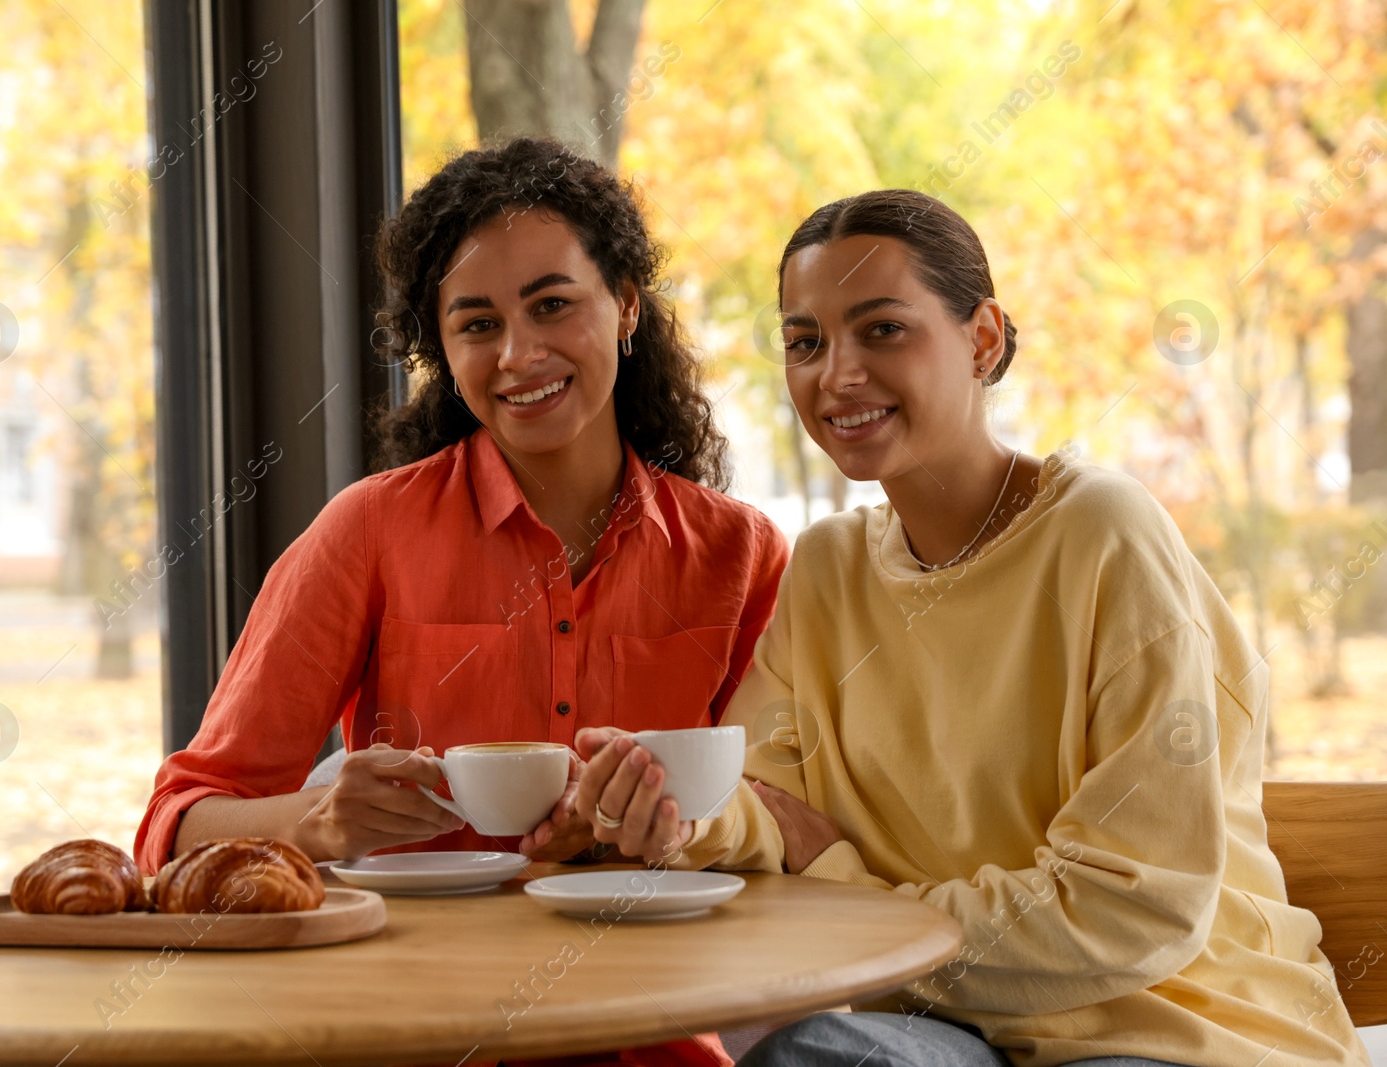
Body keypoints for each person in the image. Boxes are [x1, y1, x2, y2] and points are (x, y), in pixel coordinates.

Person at [572, 190, 1370, 1067]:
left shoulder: (1104, 535)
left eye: (881, 329)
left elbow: (1135, 911)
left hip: (1173, 1028)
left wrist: (846, 880)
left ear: (983, 339)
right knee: (814, 1056)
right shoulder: (829, 569)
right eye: (805, 342)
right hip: (959, 1032)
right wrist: (670, 812)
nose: (836, 373)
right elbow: (764, 813)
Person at [134, 137, 787, 1067]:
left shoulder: (742, 554)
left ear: (628, 306)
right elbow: (174, 826)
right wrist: (316, 824)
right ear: (440, 347)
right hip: (406, 1032)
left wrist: (664, 832)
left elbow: (786, 821)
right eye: (477, 323)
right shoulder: (368, 532)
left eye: (553, 305)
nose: (520, 354)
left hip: (651, 1034)